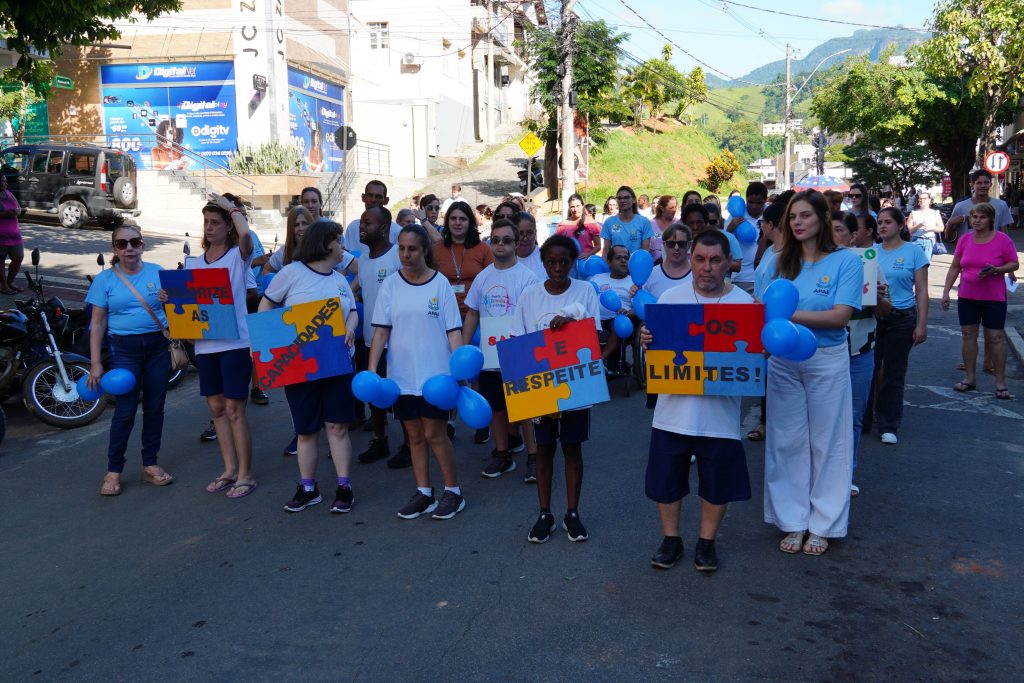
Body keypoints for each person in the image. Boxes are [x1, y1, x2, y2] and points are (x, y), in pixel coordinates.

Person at [640, 230, 754, 572]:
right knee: (666, 481)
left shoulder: (745, 305)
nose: (707, 267)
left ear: (728, 263)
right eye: (701, 259)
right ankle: (670, 540)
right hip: (672, 414)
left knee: (717, 484)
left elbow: (751, 363)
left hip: (720, 417)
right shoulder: (669, 300)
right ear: (691, 259)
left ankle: (707, 543)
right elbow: (653, 362)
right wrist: (647, 342)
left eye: (715, 260)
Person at [764, 191, 862, 556]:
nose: (797, 222)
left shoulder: (846, 261)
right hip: (782, 361)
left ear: (822, 218)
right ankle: (792, 521)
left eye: (805, 215)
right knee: (785, 440)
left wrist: (787, 316)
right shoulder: (778, 261)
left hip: (827, 358)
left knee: (828, 442)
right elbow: (760, 308)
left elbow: (840, 316)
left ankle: (824, 525)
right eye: (792, 217)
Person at [259, 220, 360, 513]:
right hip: (299, 366)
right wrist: (274, 341)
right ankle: (307, 488)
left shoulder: (340, 279)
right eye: (340, 242)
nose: (343, 248)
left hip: (338, 362)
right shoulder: (291, 273)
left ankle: (344, 487)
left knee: (337, 426)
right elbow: (266, 306)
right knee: (306, 430)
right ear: (327, 244)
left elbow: (353, 312)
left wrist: (350, 328)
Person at [368, 224, 467, 520]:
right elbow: (381, 332)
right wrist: (372, 371)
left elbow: (454, 332)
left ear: (424, 250)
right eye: (401, 248)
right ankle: (424, 492)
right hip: (401, 377)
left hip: (436, 377)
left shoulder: (440, 284)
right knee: (413, 436)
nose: (405, 254)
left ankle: (453, 491)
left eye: (412, 249)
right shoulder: (390, 285)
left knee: (435, 434)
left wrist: (459, 370)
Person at [512, 234, 601, 543]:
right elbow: (518, 341)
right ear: (543, 262)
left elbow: (594, 337)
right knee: (544, 449)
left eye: (564, 261)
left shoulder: (585, 291)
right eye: (551, 262)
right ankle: (545, 514)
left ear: (573, 262)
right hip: (541, 388)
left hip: (576, 385)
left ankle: (572, 514)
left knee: (572, 448)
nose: (558, 267)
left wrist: (571, 325)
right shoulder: (530, 296)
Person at [174, 193, 257, 499]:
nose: (209, 228)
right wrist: (171, 298)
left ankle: (246, 474)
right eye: (206, 222)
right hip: (206, 346)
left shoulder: (237, 256)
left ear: (227, 226)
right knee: (217, 410)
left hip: (236, 344)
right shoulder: (193, 263)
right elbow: (187, 306)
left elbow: (246, 235)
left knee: (235, 410)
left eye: (215, 222)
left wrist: (230, 207)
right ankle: (229, 470)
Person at [87, 226, 173, 496]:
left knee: (155, 408)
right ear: (114, 248)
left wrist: (170, 300)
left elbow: (178, 309)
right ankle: (114, 470)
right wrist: (96, 362)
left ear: (142, 245)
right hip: (124, 350)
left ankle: (150, 464)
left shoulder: (158, 272)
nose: (129, 248)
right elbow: (97, 323)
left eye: (134, 242)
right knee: (124, 411)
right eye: (122, 244)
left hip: (157, 347)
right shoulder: (105, 280)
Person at [462, 218, 539, 478]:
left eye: (506, 240)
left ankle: (534, 457)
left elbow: (532, 315)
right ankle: (502, 454)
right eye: (495, 240)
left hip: (519, 352)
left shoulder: (528, 278)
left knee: (526, 407)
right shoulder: (483, 278)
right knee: (496, 406)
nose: (500, 245)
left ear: (516, 244)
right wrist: (463, 347)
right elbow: (473, 313)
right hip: (490, 355)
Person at [941, 202, 1019, 399]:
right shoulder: (965, 240)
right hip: (967, 296)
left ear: (991, 219)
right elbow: (955, 267)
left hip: (994, 297)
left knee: (996, 337)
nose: (977, 220)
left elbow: (1014, 263)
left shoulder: (1002, 240)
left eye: (982, 217)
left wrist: (997, 270)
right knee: (968, 335)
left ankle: (1000, 383)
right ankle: (970, 378)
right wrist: (946, 292)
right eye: (974, 217)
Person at [354, 206, 411, 469]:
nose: (362, 227)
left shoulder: (397, 256)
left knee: (401, 394)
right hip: (371, 339)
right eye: (362, 222)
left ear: (384, 228)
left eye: (368, 223)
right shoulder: (364, 260)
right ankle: (380, 439)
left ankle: (410, 444)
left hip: (398, 341)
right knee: (375, 393)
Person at [872, 207, 929, 445]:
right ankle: (863, 418)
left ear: (900, 225)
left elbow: (922, 290)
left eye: (888, 222)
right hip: (874, 317)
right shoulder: (871, 252)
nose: (883, 226)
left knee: (893, 373)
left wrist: (921, 324)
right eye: (880, 222)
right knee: (869, 369)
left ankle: (889, 425)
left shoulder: (914, 251)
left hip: (902, 317)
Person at [433, 200, 494, 318]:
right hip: (443, 314)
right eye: (453, 218)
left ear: (470, 222)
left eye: (462, 219)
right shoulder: (436, 250)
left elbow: (492, 284)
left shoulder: (484, 249)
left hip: (476, 314)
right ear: (447, 221)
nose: (457, 223)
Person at [591, 245, 635, 374]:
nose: (623, 261)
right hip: (595, 317)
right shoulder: (597, 278)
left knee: (618, 325)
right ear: (609, 262)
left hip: (619, 319)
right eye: (618, 258)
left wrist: (628, 313)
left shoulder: (633, 282)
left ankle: (601, 360)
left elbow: (639, 307)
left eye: (626, 258)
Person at [946, 169, 1015, 240]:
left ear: (991, 184)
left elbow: (1004, 234)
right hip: (967, 247)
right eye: (979, 183)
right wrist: (950, 224)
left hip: (992, 247)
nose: (983, 186)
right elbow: (949, 237)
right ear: (972, 185)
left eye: (986, 182)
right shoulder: (960, 207)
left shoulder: (1001, 205)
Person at [726, 182, 768, 295]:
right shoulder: (736, 214)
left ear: (765, 200)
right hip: (742, 277)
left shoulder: (770, 214)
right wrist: (730, 228)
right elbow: (723, 241)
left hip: (766, 276)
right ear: (746, 200)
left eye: (759, 203)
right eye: (750, 202)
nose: (754, 206)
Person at [681, 203, 741, 275]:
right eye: (691, 223)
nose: (695, 227)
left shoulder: (719, 241)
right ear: (684, 224)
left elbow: (737, 266)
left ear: (705, 223)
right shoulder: (677, 244)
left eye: (699, 222)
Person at [636, 223, 692, 299]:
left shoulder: (698, 274)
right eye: (671, 244)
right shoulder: (650, 275)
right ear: (664, 245)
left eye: (681, 243)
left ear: (689, 245)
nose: (676, 247)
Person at [343, 180, 402, 252]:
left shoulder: (397, 232)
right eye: (369, 195)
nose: (373, 200)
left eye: (378, 197)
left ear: (386, 200)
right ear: (363, 197)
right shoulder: (353, 227)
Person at [601, 186, 653, 257]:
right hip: (616, 263)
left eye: (626, 197)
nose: (622, 200)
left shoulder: (644, 222)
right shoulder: (609, 222)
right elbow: (606, 252)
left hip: (637, 262)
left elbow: (645, 252)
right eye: (619, 198)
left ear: (634, 200)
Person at [556, 193, 602, 261]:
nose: (575, 209)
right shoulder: (563, 224)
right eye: (572, 207)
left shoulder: (591, 223)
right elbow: (556, 245)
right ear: (569, 207)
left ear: (582, 206)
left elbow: (598, 246)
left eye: (578, 206)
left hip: (585, 262)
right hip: (568, 263)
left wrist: (588, 254)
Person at [0, 173, 24, 293]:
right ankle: (4, 286)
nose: (6, 183)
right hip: (1, 235)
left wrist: (18, 211)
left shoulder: (8, 193)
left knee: (18, 256)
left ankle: (10, 282)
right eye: (3, 181)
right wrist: (6, 214)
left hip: (14, 233)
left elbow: (18, 206)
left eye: (6, 181)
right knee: (0, 261)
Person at [908, 193, 945, 261]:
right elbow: (909, 230)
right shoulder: (913, 213)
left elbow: (941, 228)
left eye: (924, 198)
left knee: (926, 263)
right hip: (916, 240)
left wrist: (930, 228)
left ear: (929, 200)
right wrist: (919, 225)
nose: (922, 200)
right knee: (915, 263)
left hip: (929, 241)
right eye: (920, 199)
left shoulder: (935, 213)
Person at [515, 212, 546, 280]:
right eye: (521, 233)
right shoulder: (507, 260)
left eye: (529, 233)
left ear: (535, 233)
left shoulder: (546, 257)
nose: (525, 238)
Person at [650, 195, 678, 262]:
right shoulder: (650, 224)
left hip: (675, 263)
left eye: (675, 207)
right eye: (671, 208)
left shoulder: (679, 223)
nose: (674, 210)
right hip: (655, 263)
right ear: (662, 208)